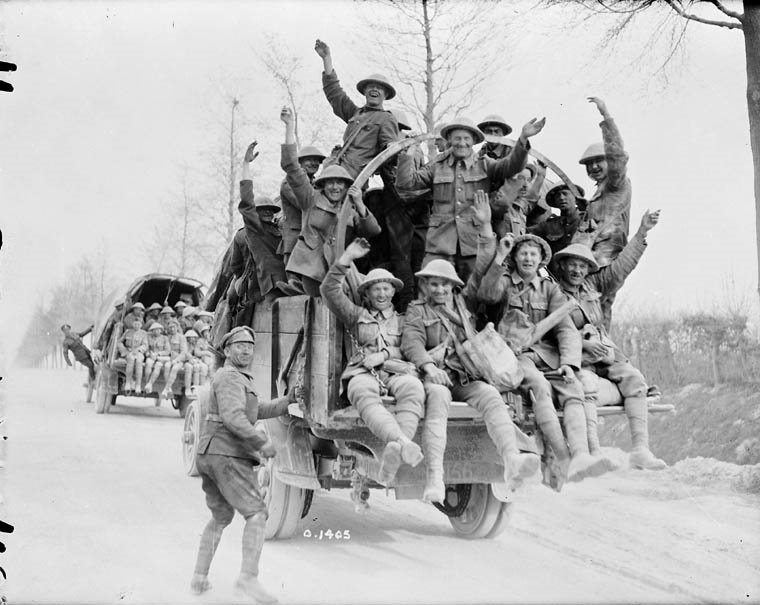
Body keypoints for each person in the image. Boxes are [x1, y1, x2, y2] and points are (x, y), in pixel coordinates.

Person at [476, 230, 614, 487]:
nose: (528, 258)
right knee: (539, 385)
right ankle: (564, 457)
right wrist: (499, 257)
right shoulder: (504, 282)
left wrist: (569, 364)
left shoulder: (550, 289)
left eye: (533, 254)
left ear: (541, 260)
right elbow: (486, 296)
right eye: (523, 253)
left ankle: (581, 455)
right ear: (515, 257)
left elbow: (565, 329)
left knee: (573, 387)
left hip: (547, 355)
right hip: (515, 356)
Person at [401, 258, 540, 493]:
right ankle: (435, 476)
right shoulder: (417, 309)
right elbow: (412, 341)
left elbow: (484, 285)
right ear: (425, 285)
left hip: (466, 375)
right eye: (434, 284)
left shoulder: (464, 307)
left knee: (491, 396)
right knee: (437, 398)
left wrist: (499, 257)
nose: (440, 289)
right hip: (438, 375)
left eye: (445, 285)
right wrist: (428, 366)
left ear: (453, 286)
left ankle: (511, 459)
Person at [553, 210, 666, 470]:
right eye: (572, 263)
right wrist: (582, 343)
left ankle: (640, 451)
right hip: (576, 359)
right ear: (562, 265)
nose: (577, 269)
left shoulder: (593, 287)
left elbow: (622, 266)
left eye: (583, 265)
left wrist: (641, 233)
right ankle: (592, 452)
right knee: (586, 386)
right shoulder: (553, 293)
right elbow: (552, 331)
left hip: (605, 355)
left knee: (635, 379)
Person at [190, 326, 294, 602]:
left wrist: (287, 402)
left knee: (221, 516)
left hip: (212, 454)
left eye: (250, 345)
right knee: (257, 513)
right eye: (240, 345)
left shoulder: (237, 378)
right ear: (227, 350)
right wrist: (262, 443)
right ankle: (248, 579)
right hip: (226, 454)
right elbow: (234, 417)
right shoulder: (229, 376)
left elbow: (254, 410)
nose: (246, 350)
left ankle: (199, 577)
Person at [320, 239, 432, 489]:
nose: (382, 294)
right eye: (375, 289)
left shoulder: (405, 321)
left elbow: (411, 347)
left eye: (386, 288)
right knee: (361, 392)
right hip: (363, 373)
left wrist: (383, 355)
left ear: (394, 291)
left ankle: (396, 446)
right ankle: (402, 442)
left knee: (413, 389)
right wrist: (346, 258)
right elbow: (328, 291)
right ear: (366, 294)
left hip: (396, 372)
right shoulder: (355, 315)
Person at [395, 115, 545, 283]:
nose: (462, 143)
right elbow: (406, 183)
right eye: (457, 138)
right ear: (449, 139)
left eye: (466, 138)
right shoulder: (437, 166)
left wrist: (523, 138)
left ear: (474, 141)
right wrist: (409, 151)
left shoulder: (485, 164)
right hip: (440, 245)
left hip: (474, 244)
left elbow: (512, 166)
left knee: (474, 294)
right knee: (432, 289)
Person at [280, 106, 381, 297]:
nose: (335, 187)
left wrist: (359, 203)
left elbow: (373, 231)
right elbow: (292, 167)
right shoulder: (310, 198)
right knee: (326, 300)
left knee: (360, 294)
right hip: (311, 267)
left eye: (340, 183)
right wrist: (289, 127)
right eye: (330, 183)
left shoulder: (349, 207)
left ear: (346, 186)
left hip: (340, 266)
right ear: (323, 185)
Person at [579, 96, 631, 329]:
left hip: (606, 259)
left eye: (599, 162)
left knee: (596, 308)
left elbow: (618, 154)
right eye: (589, 165)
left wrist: (605, 116)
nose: (594, 167)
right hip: (594, 258)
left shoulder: (616, 184)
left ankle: (602, 355)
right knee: (598, 310)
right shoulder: (598, 194)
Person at [314, 38, 399, 180]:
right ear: (364, 91)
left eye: (379, 88)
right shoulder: (355, 113)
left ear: (386, 95)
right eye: (370, 86)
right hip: (335, 169)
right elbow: (335, 94)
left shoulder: (386, 118)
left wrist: (394, 146)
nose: (374, 90)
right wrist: (327, 59)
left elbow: (388, 152)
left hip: (354, 177)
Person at [238, 141, 287, 301]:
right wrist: (246, 164)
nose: (267, 211)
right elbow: (246, 200)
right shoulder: (255, 230)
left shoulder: (279, 228)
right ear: (255, 213)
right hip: (272, 284)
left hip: (290, 279)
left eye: (270, 209)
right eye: (262, 209)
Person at [279, 145, 326, 270]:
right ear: (299, 162)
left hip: (314, 240)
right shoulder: (288, 183)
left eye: (317, 161)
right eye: (309, 160)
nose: (314, 163)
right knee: (295, 282)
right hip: (296, 238)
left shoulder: (317, 184)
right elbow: (304, 203)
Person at [118, 316, 148, 394]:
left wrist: (138, 350)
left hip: (139, 353)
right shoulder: (128, 332)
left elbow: (145, 345)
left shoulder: (144, 334)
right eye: (135, 324)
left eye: (138, 324)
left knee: (139, 362)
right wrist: (124, 351)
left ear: (141, 325)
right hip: (129, 352)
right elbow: (119, 342)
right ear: (132, 324)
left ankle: (138, 385)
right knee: (130, 360)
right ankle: (128, 383)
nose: (136, 326)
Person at [162, 319, 187, 400]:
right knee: (166, 366)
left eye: (174, 327)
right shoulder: (167, 337)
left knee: (175, 368)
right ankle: (169, 389)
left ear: (177, 327)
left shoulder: (181, 337)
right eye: (170, 327)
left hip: (178, 359)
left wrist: (176, 360)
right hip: (169, 358)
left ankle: (166, 389)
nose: (172, 329)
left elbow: (183, 352)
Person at [144, 321, 171, 395]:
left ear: (161, 330)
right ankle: (147, 383)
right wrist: (149, 354)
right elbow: (146, 347)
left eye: (158, 330)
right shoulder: (148, 337)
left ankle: (150, 384)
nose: (156, 331)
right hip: (151, 356)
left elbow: (168, 350)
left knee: (158, 365)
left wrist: (158, 354)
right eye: (154, 330)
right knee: (148, 364)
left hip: (160, 358)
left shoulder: (165, 338)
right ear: (152, 331)